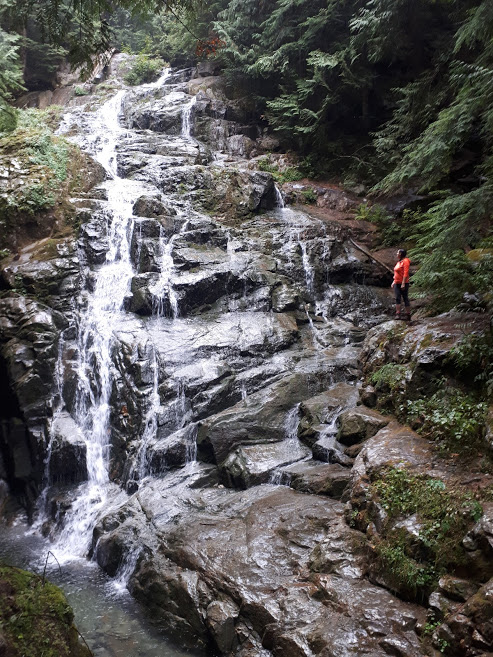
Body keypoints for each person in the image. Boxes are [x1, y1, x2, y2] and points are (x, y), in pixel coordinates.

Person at [391, 248, 411, 320]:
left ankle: (408, 315)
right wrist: (394, 281)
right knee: (397, 298)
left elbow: (406, 273)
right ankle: (398, 314)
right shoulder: (399, 262)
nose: (396, 254)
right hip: (397, 283)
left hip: (404, 282)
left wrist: (403, 284)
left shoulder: (405, 261)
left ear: (401, 254)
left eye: (397, 253)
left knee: (405, 298)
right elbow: (396, 273)